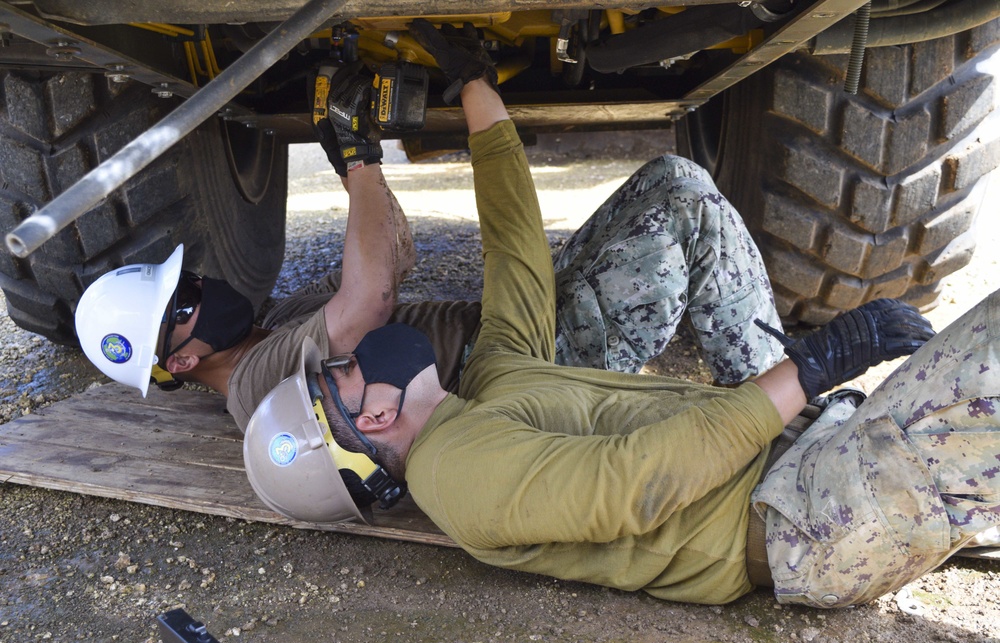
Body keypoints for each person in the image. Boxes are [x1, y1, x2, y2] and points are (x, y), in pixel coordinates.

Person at [243, 20, 1000, 611]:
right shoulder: (456, 477)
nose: (357, 351)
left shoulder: (482, 391)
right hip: (806, 517)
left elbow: (514, 256)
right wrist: (815, 363)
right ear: (369, 422)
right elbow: (633, 482)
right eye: (341, 372)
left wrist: (473, 86)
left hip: (808, 451)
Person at [75, 49, 786, 433]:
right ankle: (779, 408)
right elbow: (371, 298)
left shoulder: (280, 319)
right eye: (186, 298)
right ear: (184, 358)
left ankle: (772, 393)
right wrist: (358, 161)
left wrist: (351, 152)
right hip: (519, 368)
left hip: (512, 329)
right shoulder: (255, 387)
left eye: (189, 279)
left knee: (669, 177)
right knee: (683, 202)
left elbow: (396, 255)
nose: (203, 284)